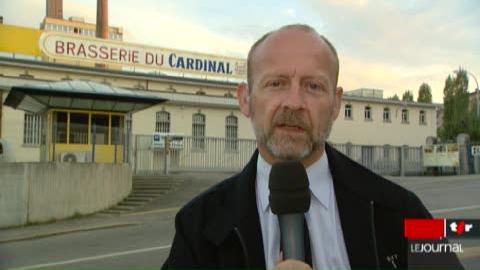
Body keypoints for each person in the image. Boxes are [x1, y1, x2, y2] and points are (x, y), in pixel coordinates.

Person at [162, 24, 463, 269]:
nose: (294, 102)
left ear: (335, 104)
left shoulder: (403, 210)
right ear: (245, 99)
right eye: (276, 83)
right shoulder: (196, 226)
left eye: (313, 86)